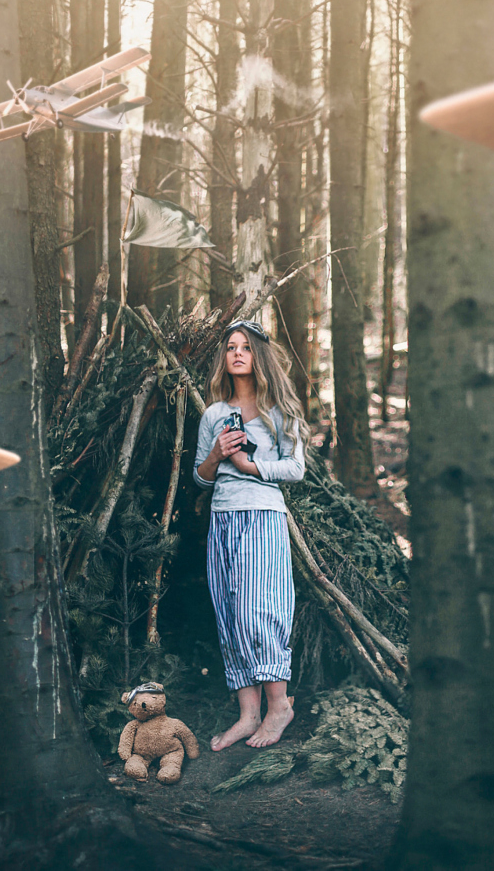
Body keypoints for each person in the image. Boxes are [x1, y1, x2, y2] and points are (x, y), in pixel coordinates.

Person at [193, 319, 308, 750]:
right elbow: (201, 478)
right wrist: (217, 455)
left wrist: (251, 467)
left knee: (261, 612)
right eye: (230, 347)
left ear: (258, 356)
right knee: (229, 613)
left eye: (245, 347)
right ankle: (248, 714)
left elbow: (296, 469)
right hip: (222, 519)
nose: (236, 353)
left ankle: (280, 707)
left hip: (262, 516)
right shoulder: (214, 414)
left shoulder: (282, 414)